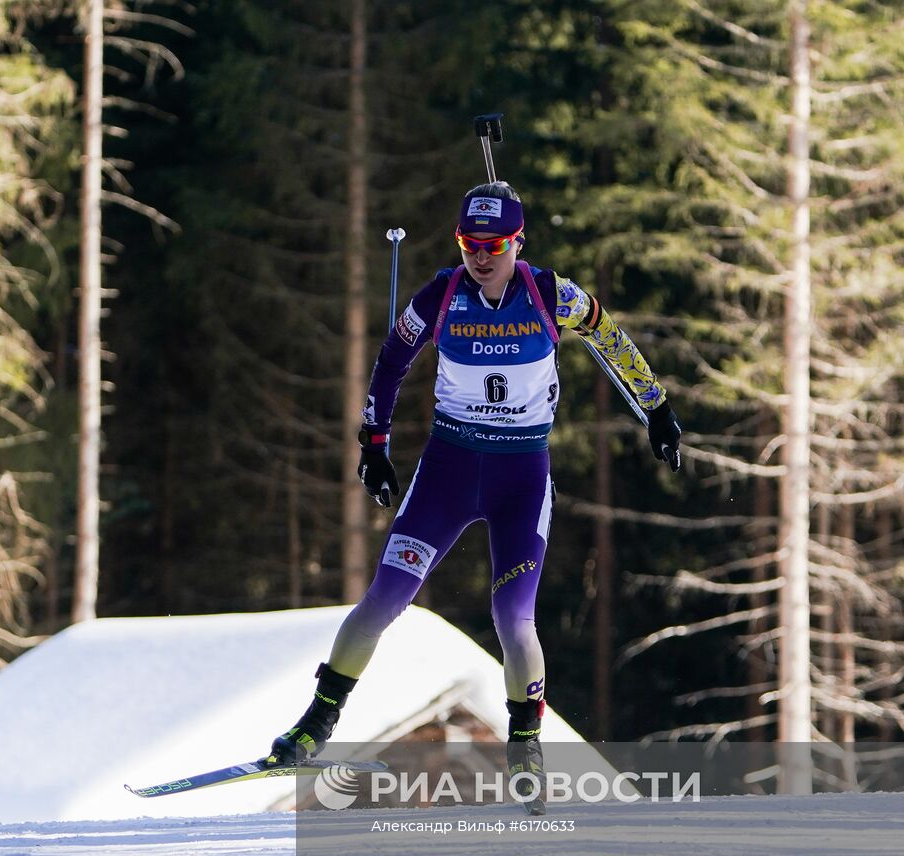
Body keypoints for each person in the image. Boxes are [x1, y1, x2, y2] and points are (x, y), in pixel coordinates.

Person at [265, 181, 682, 813]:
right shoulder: (442, 293)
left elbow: (611, 339)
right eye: (468, 244)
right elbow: (391, 359)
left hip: (521, 474)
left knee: (513, 619)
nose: (479, 257)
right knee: (384, 598)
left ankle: (525, 752)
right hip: (449, 469)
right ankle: (315, 725)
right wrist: (373, 444)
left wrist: (656, 409)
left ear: (517, 242)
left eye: (491, 245)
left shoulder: (550, 294)